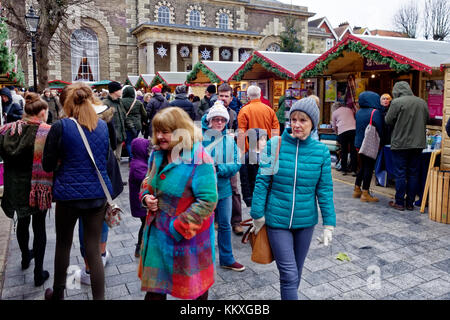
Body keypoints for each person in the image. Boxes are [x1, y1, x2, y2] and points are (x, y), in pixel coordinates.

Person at [250, 97, 336, 300]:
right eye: (294, 119)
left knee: (296, 273)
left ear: (312, 123)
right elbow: (262, 181)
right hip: (277, 220)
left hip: (305, 222)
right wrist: (257, 214)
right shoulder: (275, 144)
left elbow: (324, 189)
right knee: (288, 275)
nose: (297, 124)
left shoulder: (321, 152)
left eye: (303, 120)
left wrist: (329, 224)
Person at [138, 107, 218, 300]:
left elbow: (208, 201)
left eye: (165, 131)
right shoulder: (157, 155)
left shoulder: (200, 160)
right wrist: (146, 197)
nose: (159, 136)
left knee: (195, 290)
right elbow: (147, 182)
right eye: (157, 131)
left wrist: (178, 227)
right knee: (154, 293)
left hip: (188, 241)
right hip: (157, 237)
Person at [43, 83, 112, 300]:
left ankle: (59, 293)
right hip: (97, 195)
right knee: (93, 249)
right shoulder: (102, 126)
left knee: (63, 243)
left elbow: (47, 164)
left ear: (67, 104)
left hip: (68, 196)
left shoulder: (61, 126)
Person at [0, 92, 52, 287]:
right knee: (39, 228)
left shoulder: (6, 130)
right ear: (42, 112)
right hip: (38, 187)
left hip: (15, 187)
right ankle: (39, 273)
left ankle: (24, 257)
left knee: (22, 222)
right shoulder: (46, 131)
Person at [201, 101, 244, 271]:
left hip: (224, 189)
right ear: (209, 120)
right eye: (216, 119)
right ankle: (205, 260)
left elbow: (237, 163)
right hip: (204, 191)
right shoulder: (200, 139)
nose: (219, 123)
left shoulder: (229, 140)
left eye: (223, 120)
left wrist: (219, 168)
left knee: (225, 224)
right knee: (205, 225)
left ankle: (227, 258)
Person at [385, 81, 429, 211]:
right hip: (418, 143)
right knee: (413, 173)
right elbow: (427, 119)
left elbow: (388, 120)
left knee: (400, 173)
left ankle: (399, 202)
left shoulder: (397, 102)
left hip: (400, 143)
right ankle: (410, 203)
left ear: (396, 91)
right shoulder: (422, 102)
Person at [216, 83, 242, 235]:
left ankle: (236, 221)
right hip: (214, 155)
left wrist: (235, 135)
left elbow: (239, 130)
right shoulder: (210, 112)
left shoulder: (233, 114)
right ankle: (217, 219)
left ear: (231, 98)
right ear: (217, 96)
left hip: (229, 154)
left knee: (233, 188)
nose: (224, 98)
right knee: (214, 187)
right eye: (221, 95)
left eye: (226, 96)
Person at [353, 91, 385, 202]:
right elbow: (380, 129)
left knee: (362, 166)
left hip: (358, 143)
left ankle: (357, 189)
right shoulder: (375, 112)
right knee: (369, 167)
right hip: (369, 143)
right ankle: (365, 193)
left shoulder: (359, 112)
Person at [237, 85, 280, 154]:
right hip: (267, 147)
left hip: (251, 149)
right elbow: (275, 130)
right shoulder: (269, 110)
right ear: (260, 95)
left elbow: (241, 133)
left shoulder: (244, 110)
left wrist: (243, 152)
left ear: (248, 97)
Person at [129, 137, 150, 258]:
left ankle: (142, 246)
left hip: (141, 203)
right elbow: (147, 180)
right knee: (145, 224)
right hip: (140, 204)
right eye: (146, 148)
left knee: (145, 223)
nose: (148, 150)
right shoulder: (138, 166)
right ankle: (139, 248)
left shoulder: (139, 162)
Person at [239, 128, 267, 207]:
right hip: (254, 193)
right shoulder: (246, 158)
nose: (264, 142)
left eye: (265, 139)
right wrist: (248, 197)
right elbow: (244, 180)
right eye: (261, 140)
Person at [121, 85, 147, 161]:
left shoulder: (121, 102)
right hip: (137, 125)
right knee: (134, 140)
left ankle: (132, 158)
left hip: (126, 125)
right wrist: (144, 122)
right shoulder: (138, 102)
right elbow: (144, 114)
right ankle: (134, 156)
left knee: (128, 142)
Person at [331, 101, 357, 176]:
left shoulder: (335, 113)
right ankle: (354, 170)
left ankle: (344, 169)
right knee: (353, 151)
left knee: (344, 151)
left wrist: (336, 133)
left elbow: (334, 126)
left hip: (342, 132)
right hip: (353, 130)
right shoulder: (349, 109)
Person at [103, 81, 126, 162]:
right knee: (111, 161)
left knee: (118, 159)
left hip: (119, 137)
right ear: (115, 91)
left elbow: (123, 117)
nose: (122, 91)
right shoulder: (105, 103)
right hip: (110, 138)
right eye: (120, 89)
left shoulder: (120, 102)